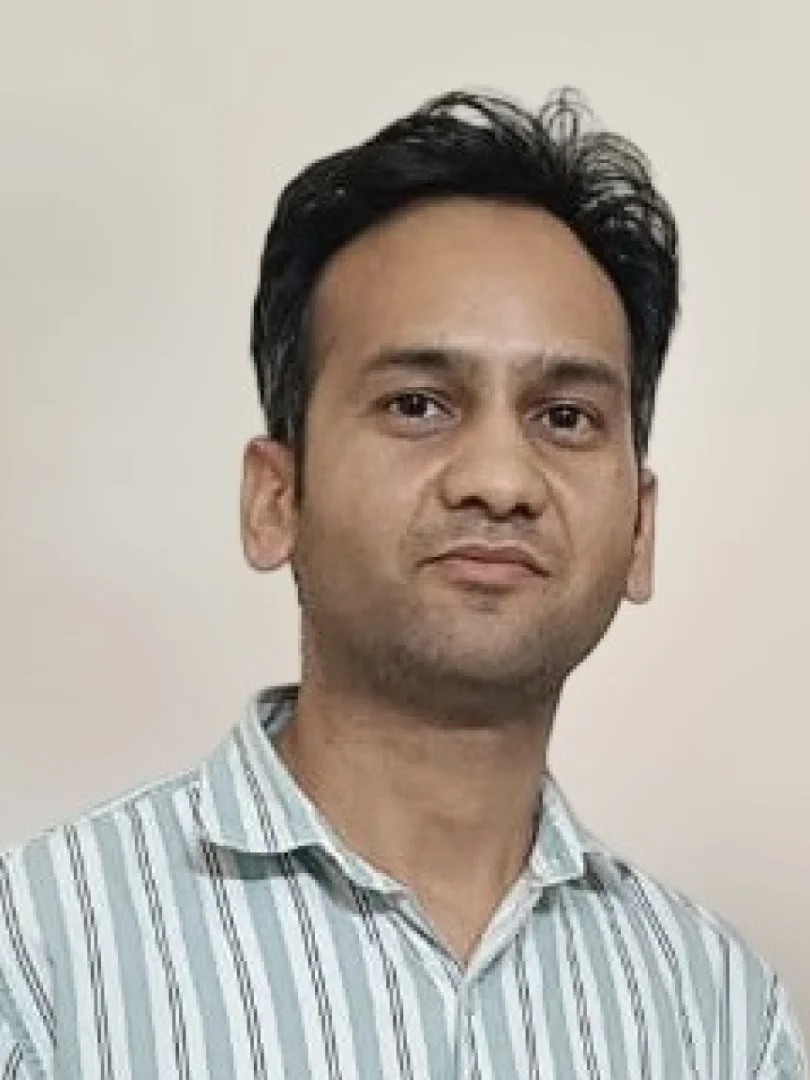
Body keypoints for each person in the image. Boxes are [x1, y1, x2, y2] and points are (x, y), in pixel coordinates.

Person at [0, 88, 805, 1080]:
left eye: (564, 417)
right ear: (275, 498)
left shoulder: (719, 1014)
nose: (500, 480)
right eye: (418, 404)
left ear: (639, 528)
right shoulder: (38, 963)